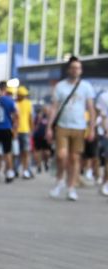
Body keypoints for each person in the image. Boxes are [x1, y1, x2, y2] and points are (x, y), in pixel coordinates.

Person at [46, 57, 98, 201]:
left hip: (79, 127)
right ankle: (59, 181)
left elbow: (91, 109)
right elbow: (54, 108)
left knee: (75, 158)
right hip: (62, 126)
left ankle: (71, 187)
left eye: (78, 68)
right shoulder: (60, 86)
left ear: (81, 71)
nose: (75, 70)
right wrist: (49, 127)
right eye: (73, 68)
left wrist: (92, 128)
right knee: (61, 156)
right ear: (69, 70)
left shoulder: (86, 87)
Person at [15, 85, 34, 179]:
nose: (23, 97)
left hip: (25, 130)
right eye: (21, 95)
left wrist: (31, 129)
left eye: (24, 95)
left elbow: (30, 118)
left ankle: (26, 170)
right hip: (17, 131)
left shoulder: (28, 103)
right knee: (17, 152)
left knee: (25, 152)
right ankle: (16, 169)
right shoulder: (15, 104)